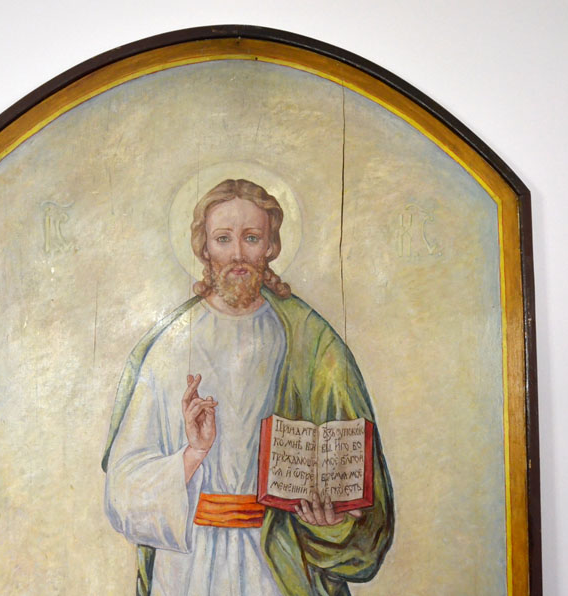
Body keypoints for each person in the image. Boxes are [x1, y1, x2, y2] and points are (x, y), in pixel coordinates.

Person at [102, 179, 394, 596]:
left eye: (251, 237)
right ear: (205, 248)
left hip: (278, 562)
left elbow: (360, 489)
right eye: (224, 239)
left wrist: (330, 521)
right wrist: (193, 453)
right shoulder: (171, 344)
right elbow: (123, 488)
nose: (238, 253)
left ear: (270, 246)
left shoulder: (311, 341)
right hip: (188, 566)